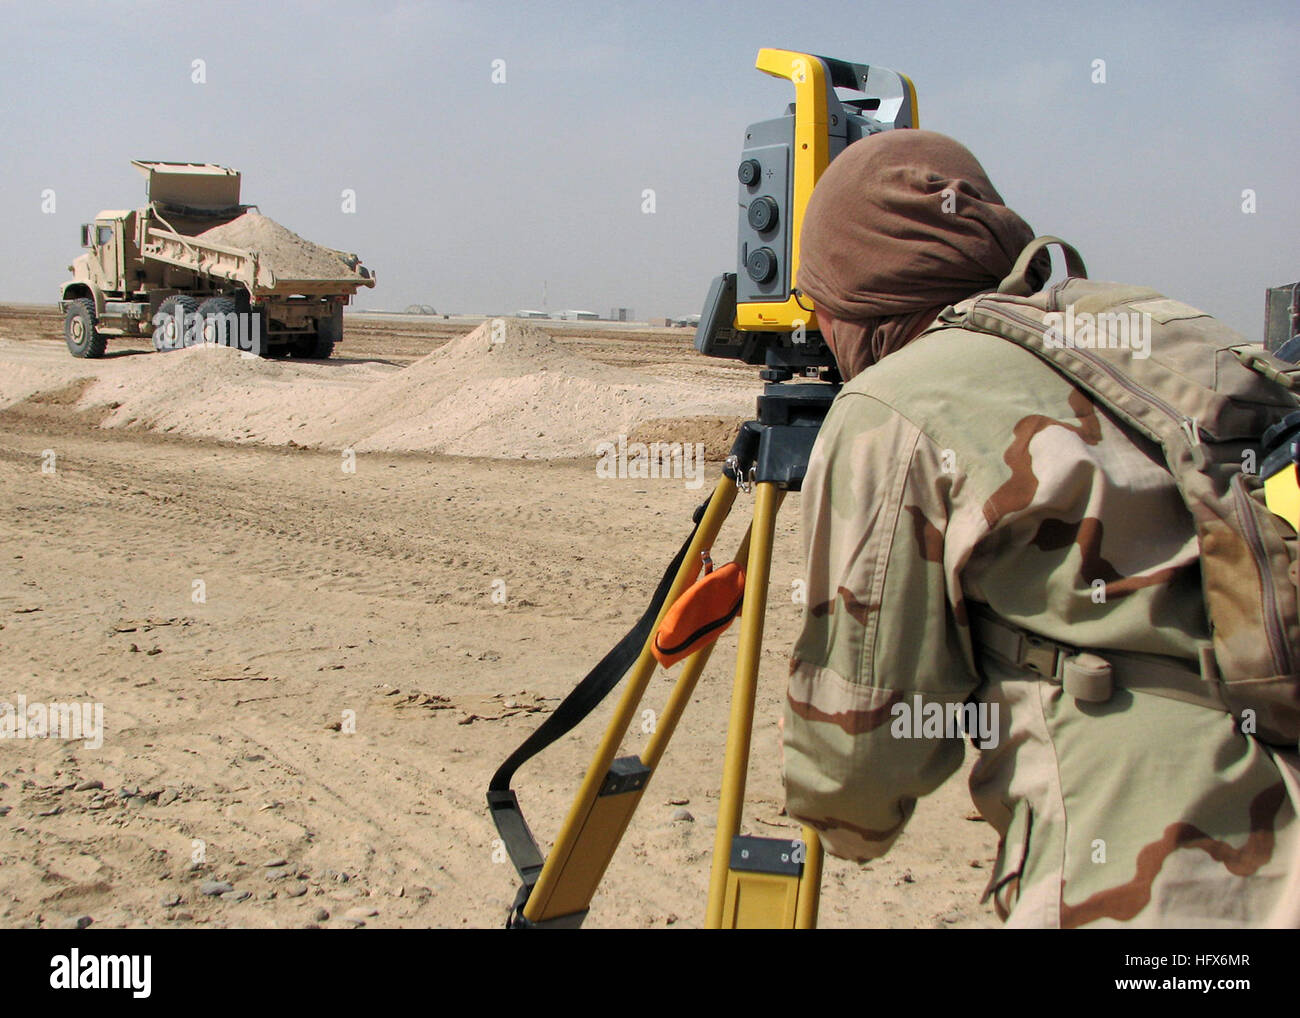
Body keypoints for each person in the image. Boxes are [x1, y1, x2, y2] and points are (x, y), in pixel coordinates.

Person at [782, 128, 1300, 927]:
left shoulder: (897, 404)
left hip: (1167, 888)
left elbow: (856, 766)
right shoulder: (1148, 334)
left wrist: (839, 822)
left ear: (854, 288)